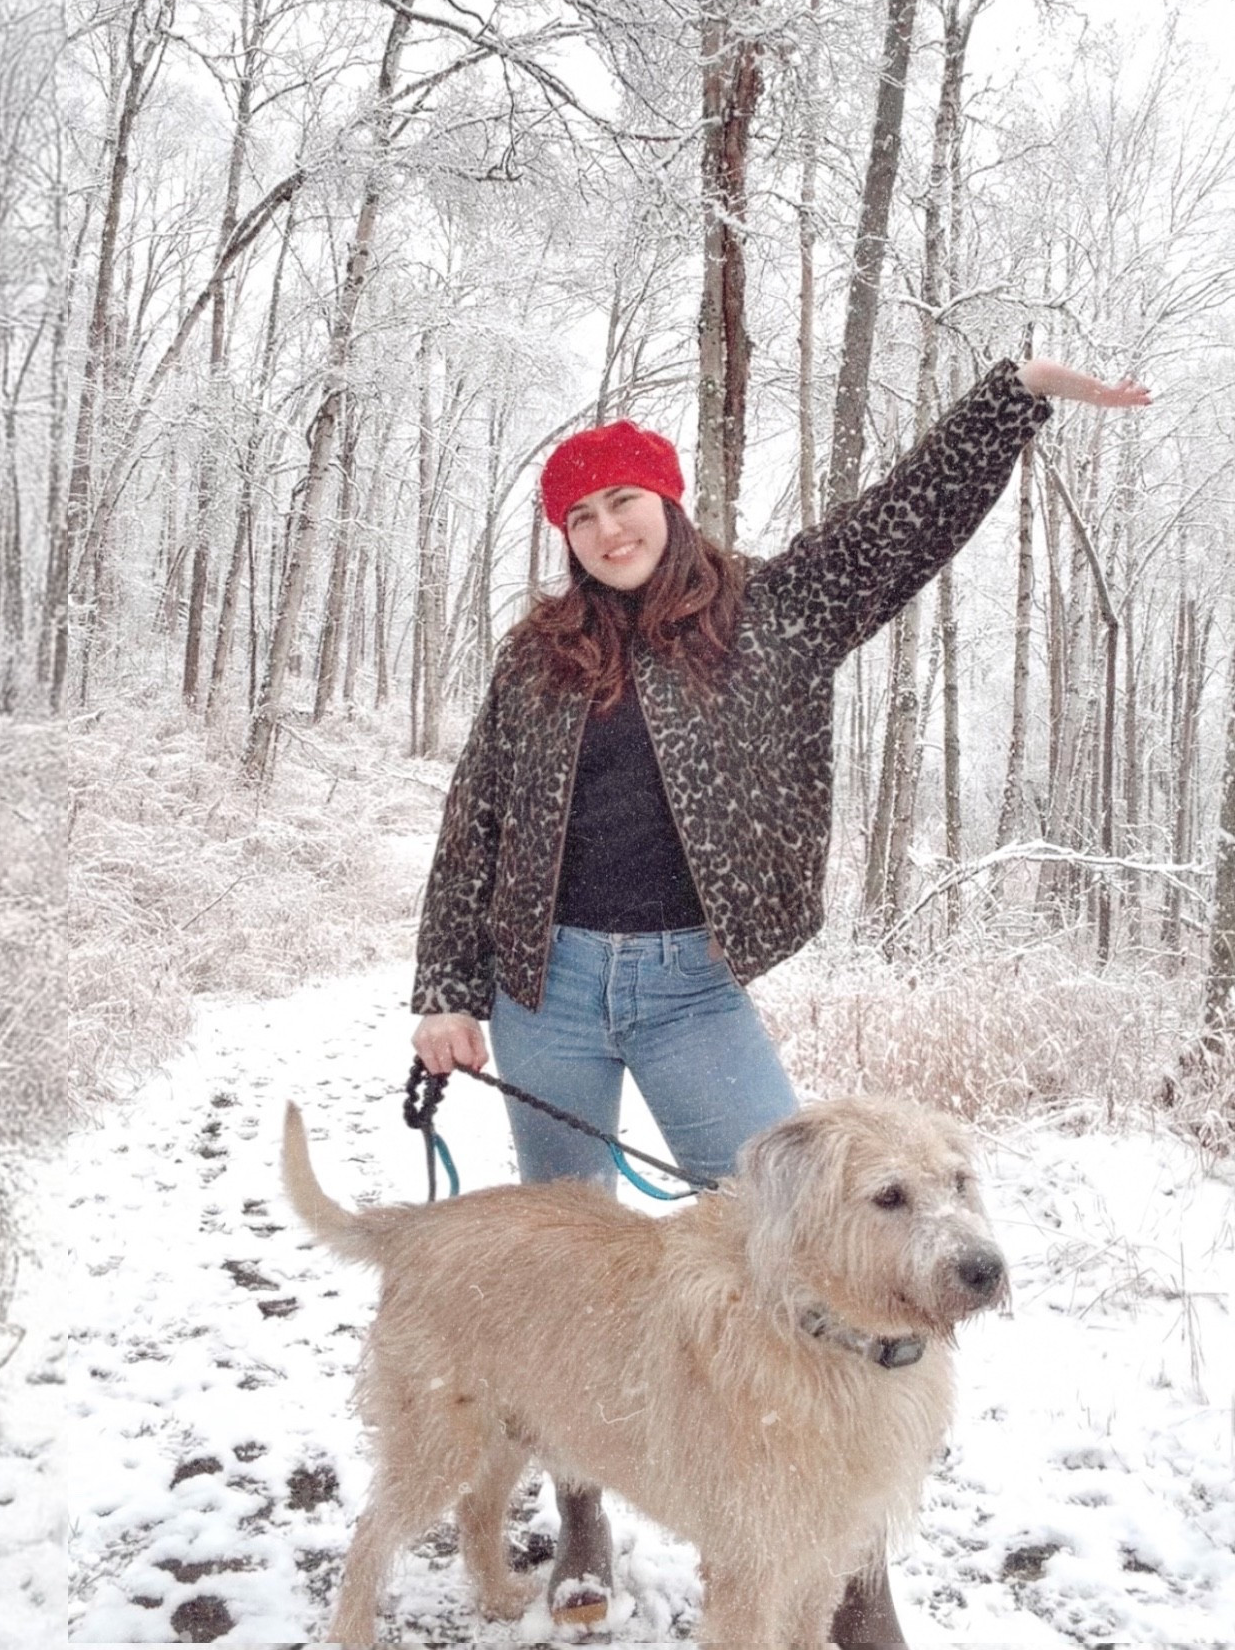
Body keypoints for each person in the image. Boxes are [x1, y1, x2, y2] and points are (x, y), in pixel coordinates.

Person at [410, 355, 1150, 1649]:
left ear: (667, 502)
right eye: (582, 516)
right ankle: (583, 1511)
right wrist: (443, 991)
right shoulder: (537, 661)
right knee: (566, 1264)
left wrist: (1014, 396)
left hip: (691, 988)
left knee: (800, 1229)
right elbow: (474, 820)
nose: (609, 529)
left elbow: (900, 525)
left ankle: (854, 1577)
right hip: (547, 989)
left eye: (626, 501)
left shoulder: (773, 613)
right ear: (567, 539)